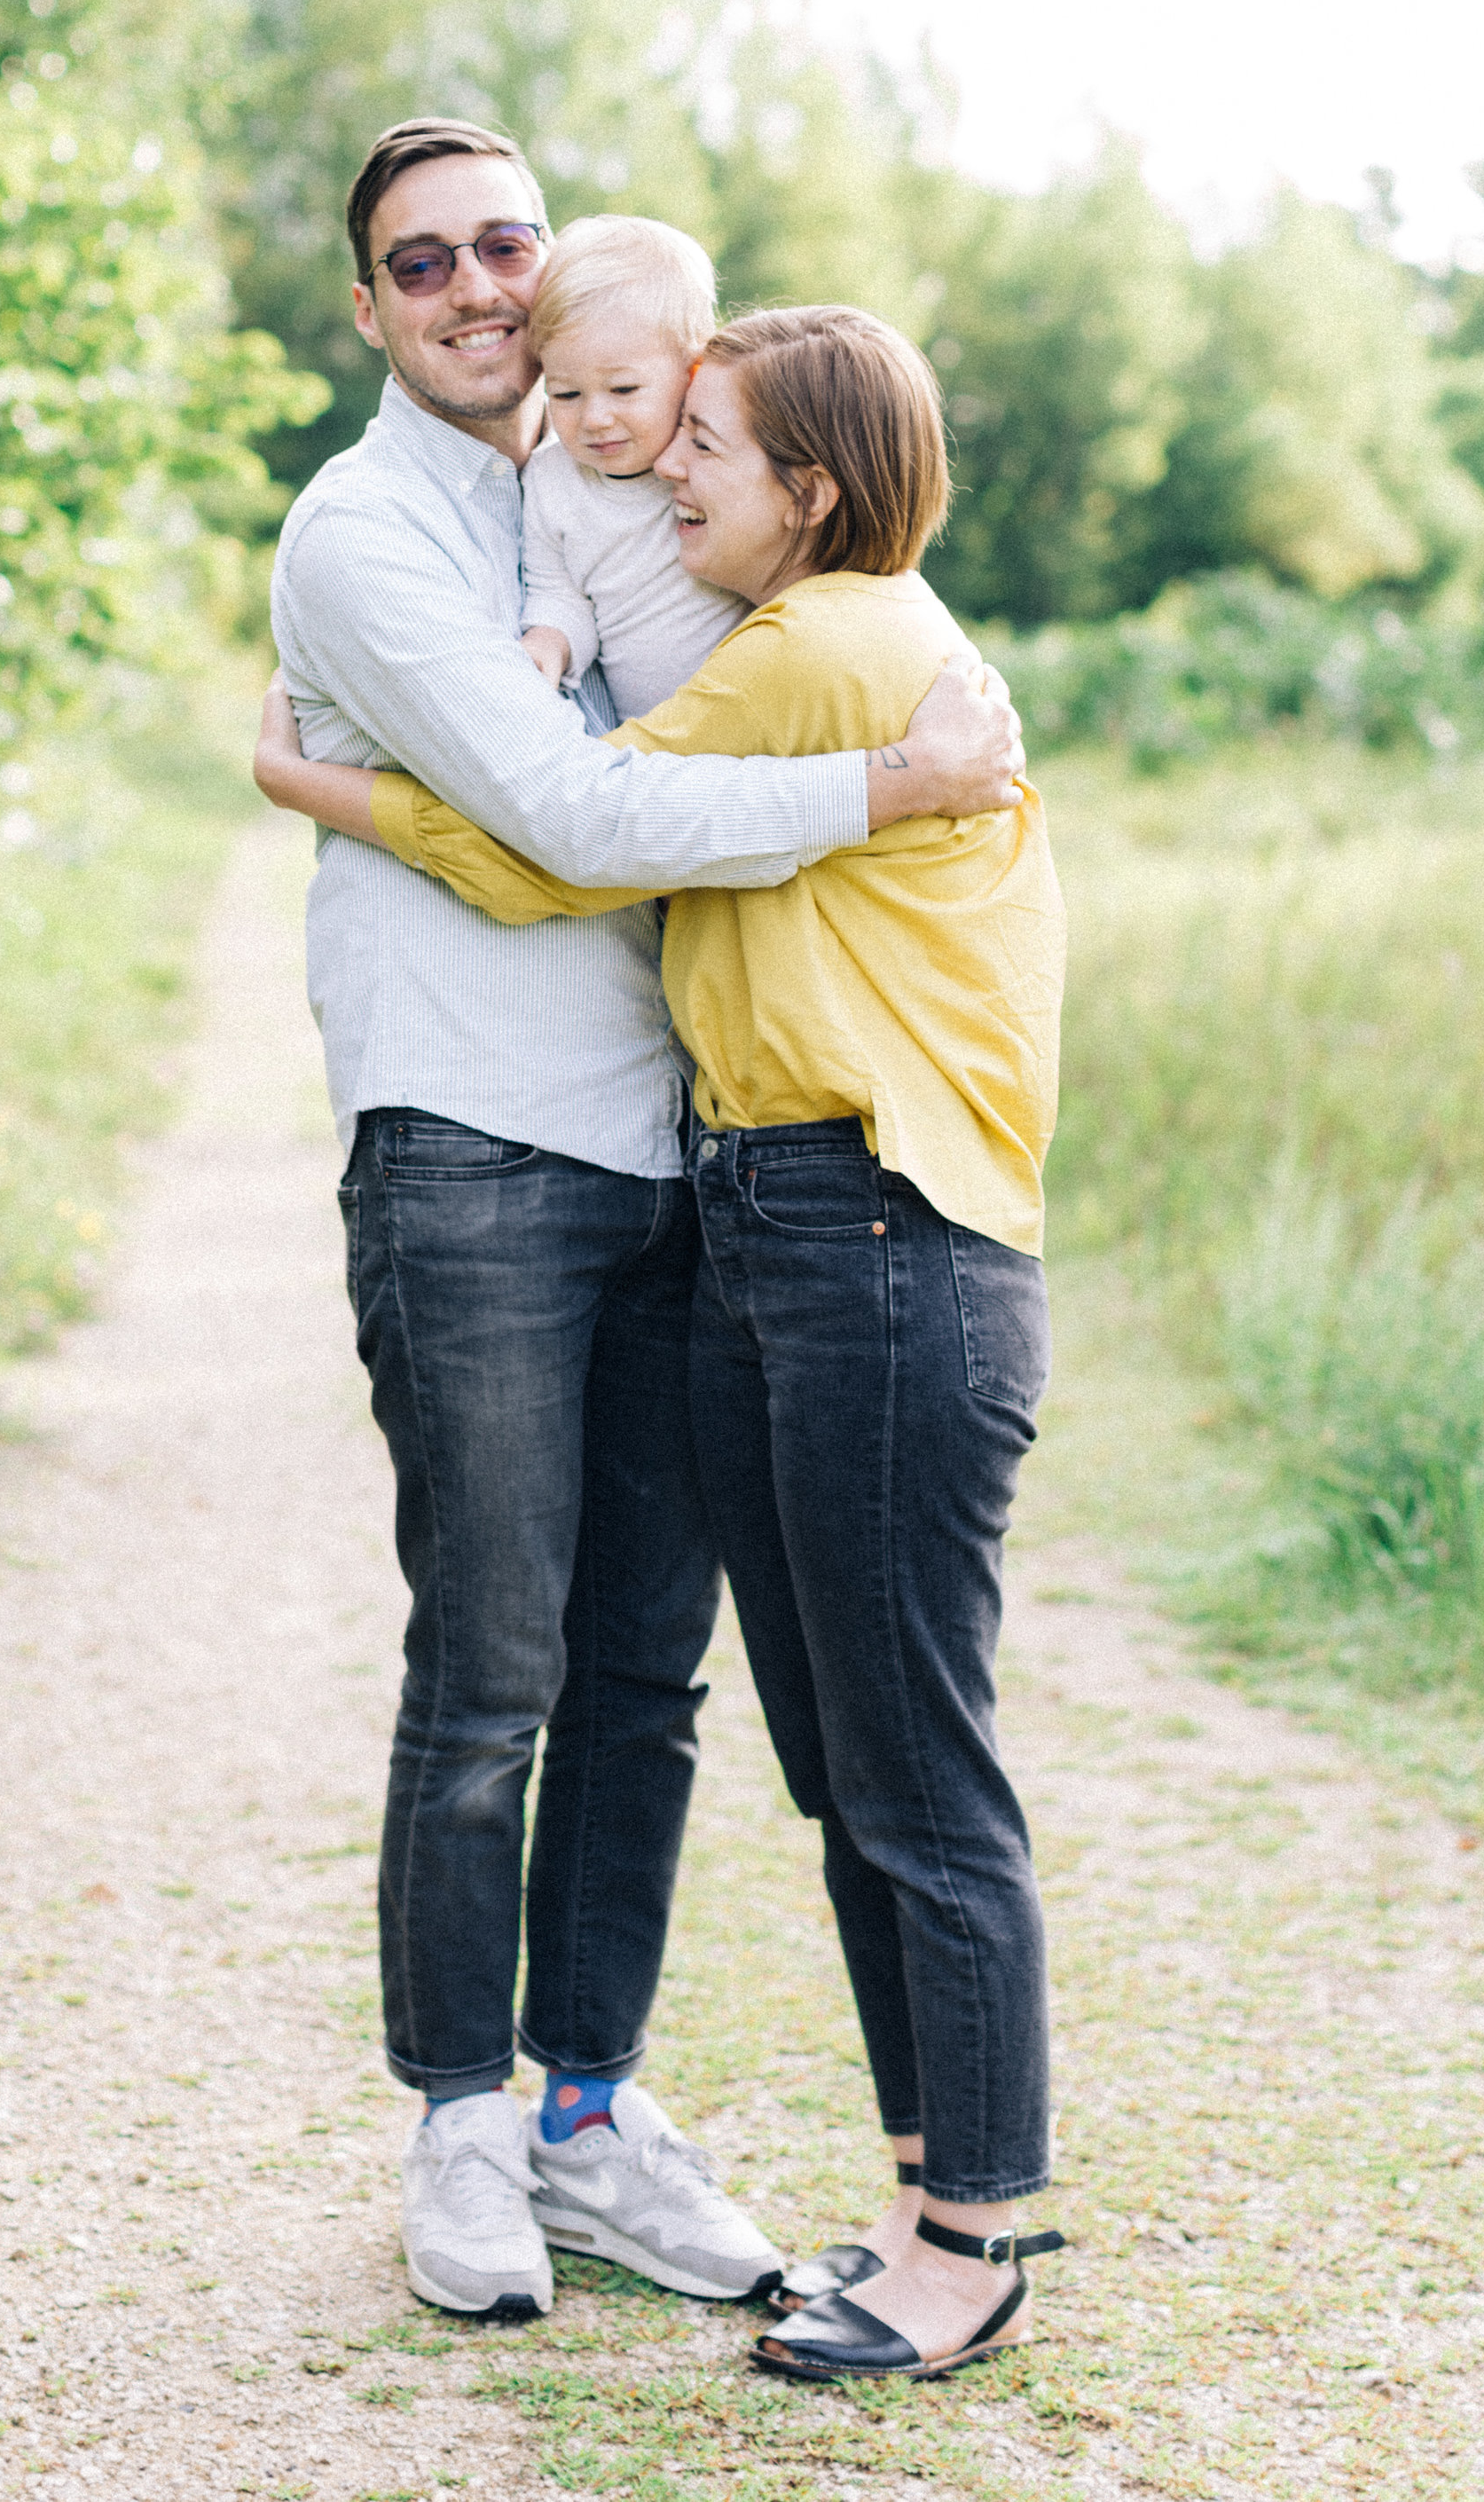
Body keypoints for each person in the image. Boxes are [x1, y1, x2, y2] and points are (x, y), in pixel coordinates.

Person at [263, 118, 1028, 2323]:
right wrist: (888, 788)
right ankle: (458, 2129)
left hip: (682, 1153)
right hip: (478, 1149)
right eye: (427, 263)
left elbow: (814, 607)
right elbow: (581, 817)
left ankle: (588, 2108)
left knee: (640, 1674)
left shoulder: (636, 472)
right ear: (373, 309)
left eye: (509, 237)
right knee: (491, 1664)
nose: (479, 284)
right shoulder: (367, 532)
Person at [516, 214, 749, 713]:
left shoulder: (723, 461)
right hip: (648, 743)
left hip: (761, 707)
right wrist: (549, 644)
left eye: (624, 389)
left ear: (694, 370)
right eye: (566, 393)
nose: (596, 418)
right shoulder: (550, 482)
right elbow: (562, 595)